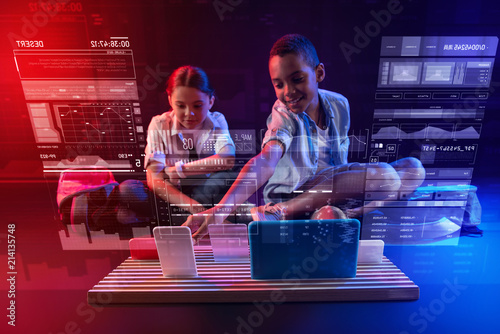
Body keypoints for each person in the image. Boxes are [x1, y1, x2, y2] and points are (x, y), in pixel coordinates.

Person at [183, 34, 425, 242]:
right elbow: (266, 159)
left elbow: (339, 166)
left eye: (297, 79)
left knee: (414, 168)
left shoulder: (340, 104)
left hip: (331, 187)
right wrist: (222, 209)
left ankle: (349, 212)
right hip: (294, 194)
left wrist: (357, 193)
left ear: (319, 73)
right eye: (279, 84)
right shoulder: (283, 111)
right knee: (384, 177)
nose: (288, 92)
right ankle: (279, 212)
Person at [119, 65, 237, 225]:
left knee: (226, 179)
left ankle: (162, 220)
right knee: (129, 189)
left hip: (204, 190)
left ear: (211, 101)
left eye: (197, 105)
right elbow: (154, 179)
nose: (189, 114)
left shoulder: (217, 120)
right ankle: (199, 218)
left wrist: (178, 171)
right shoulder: (159, 124)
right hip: (172, 195)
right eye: (181, 106)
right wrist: (195, 209)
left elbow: (227, 159)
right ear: (170, 100)